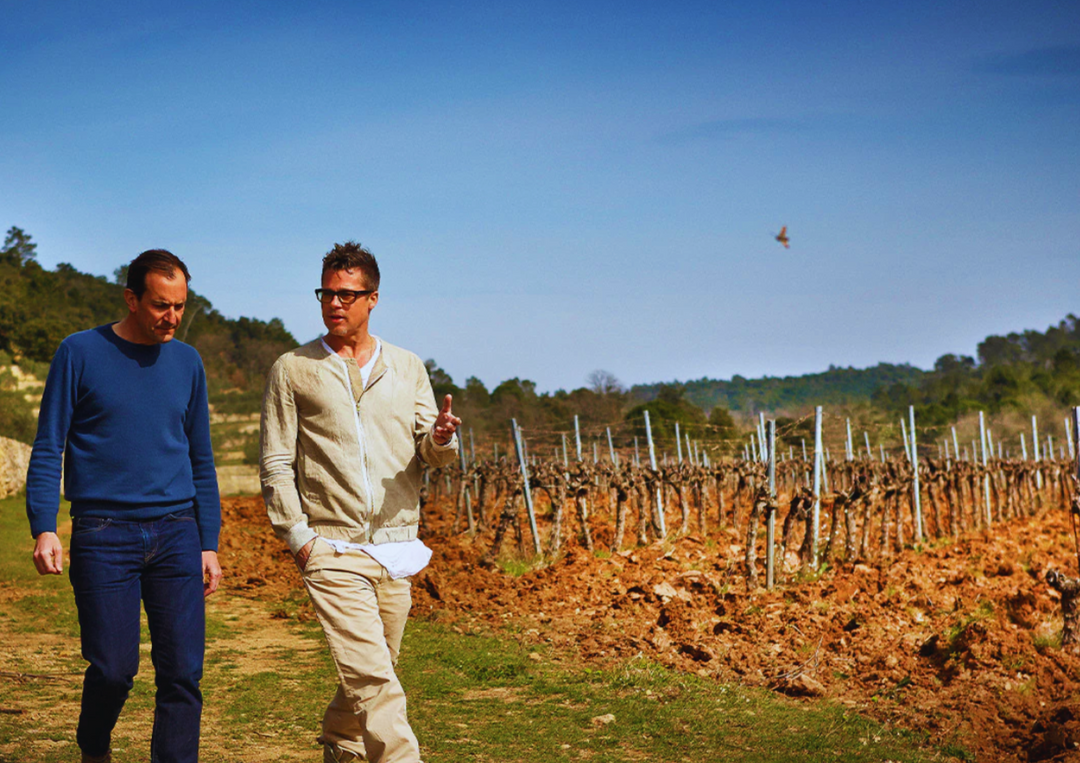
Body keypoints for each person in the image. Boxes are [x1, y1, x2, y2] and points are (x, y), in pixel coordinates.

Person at [260, 241, 460, 763]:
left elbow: (431, 456)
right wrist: (300, 538)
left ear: (373, 299)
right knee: (372, 676)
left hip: (396, 545)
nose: (335, 303)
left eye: (348, 295)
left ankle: (342, 745)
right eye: (327, 292)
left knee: (377, 665)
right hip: (332, 546)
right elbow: (277, 460)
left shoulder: (407, 366)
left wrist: (439, 438)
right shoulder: (293, 368)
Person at [25, 250, 223, 763]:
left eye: (180, 306)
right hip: (102, 532)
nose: (172, 318)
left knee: (182, 672)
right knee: (114, 668)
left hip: (177, 530)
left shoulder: (188, 362)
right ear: (131, 298)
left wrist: (208, 542)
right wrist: (44, 526)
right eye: (161, 305)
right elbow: (50, 444)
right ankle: (95, 745)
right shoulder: (79, 352)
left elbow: (201, 457)